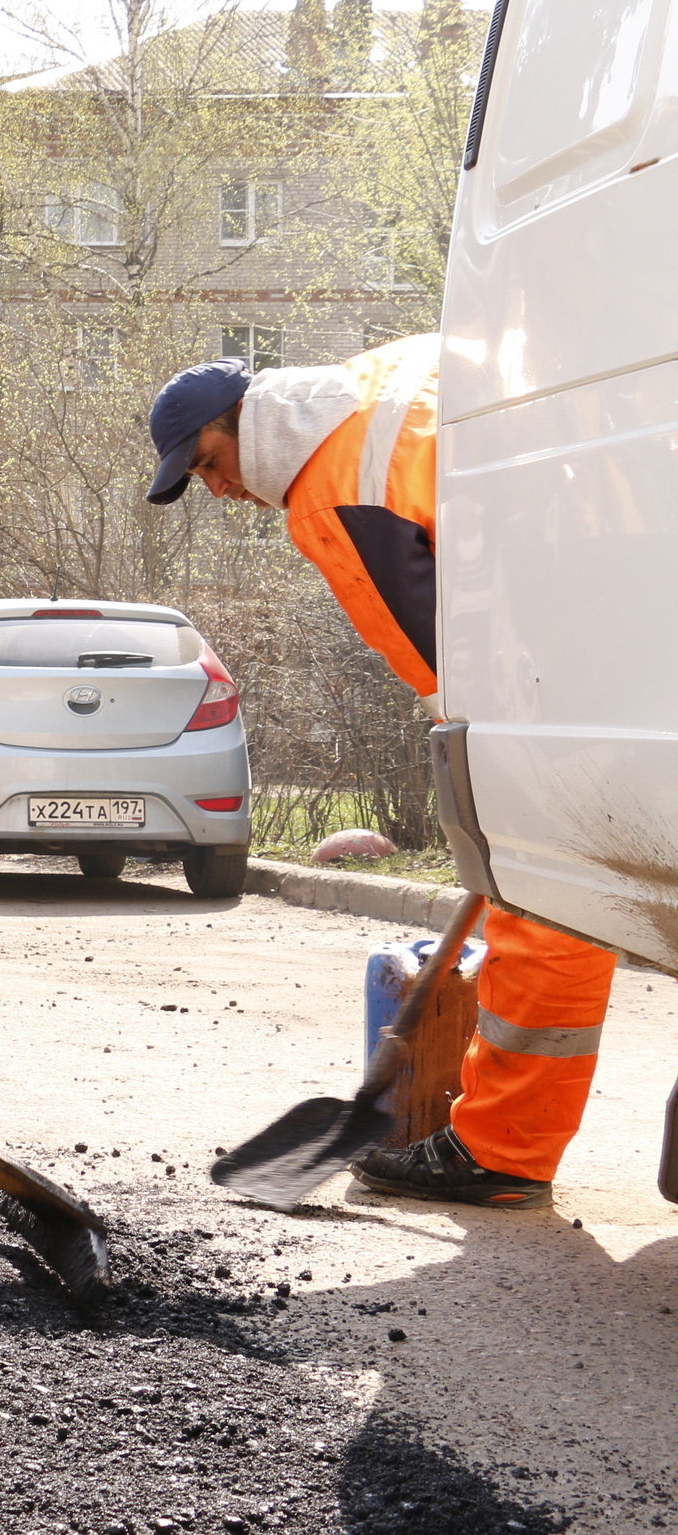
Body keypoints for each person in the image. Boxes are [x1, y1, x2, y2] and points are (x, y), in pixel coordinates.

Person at [144, 337, 619, 1209]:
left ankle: (502, 1150)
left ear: (240, 419)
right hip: (620, 590)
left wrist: (490, 777)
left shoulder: (331, 489)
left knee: (542, 907)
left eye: (208, 463)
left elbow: (447, 664)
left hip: (569, 668)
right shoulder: (383, 380)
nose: (215, 489)